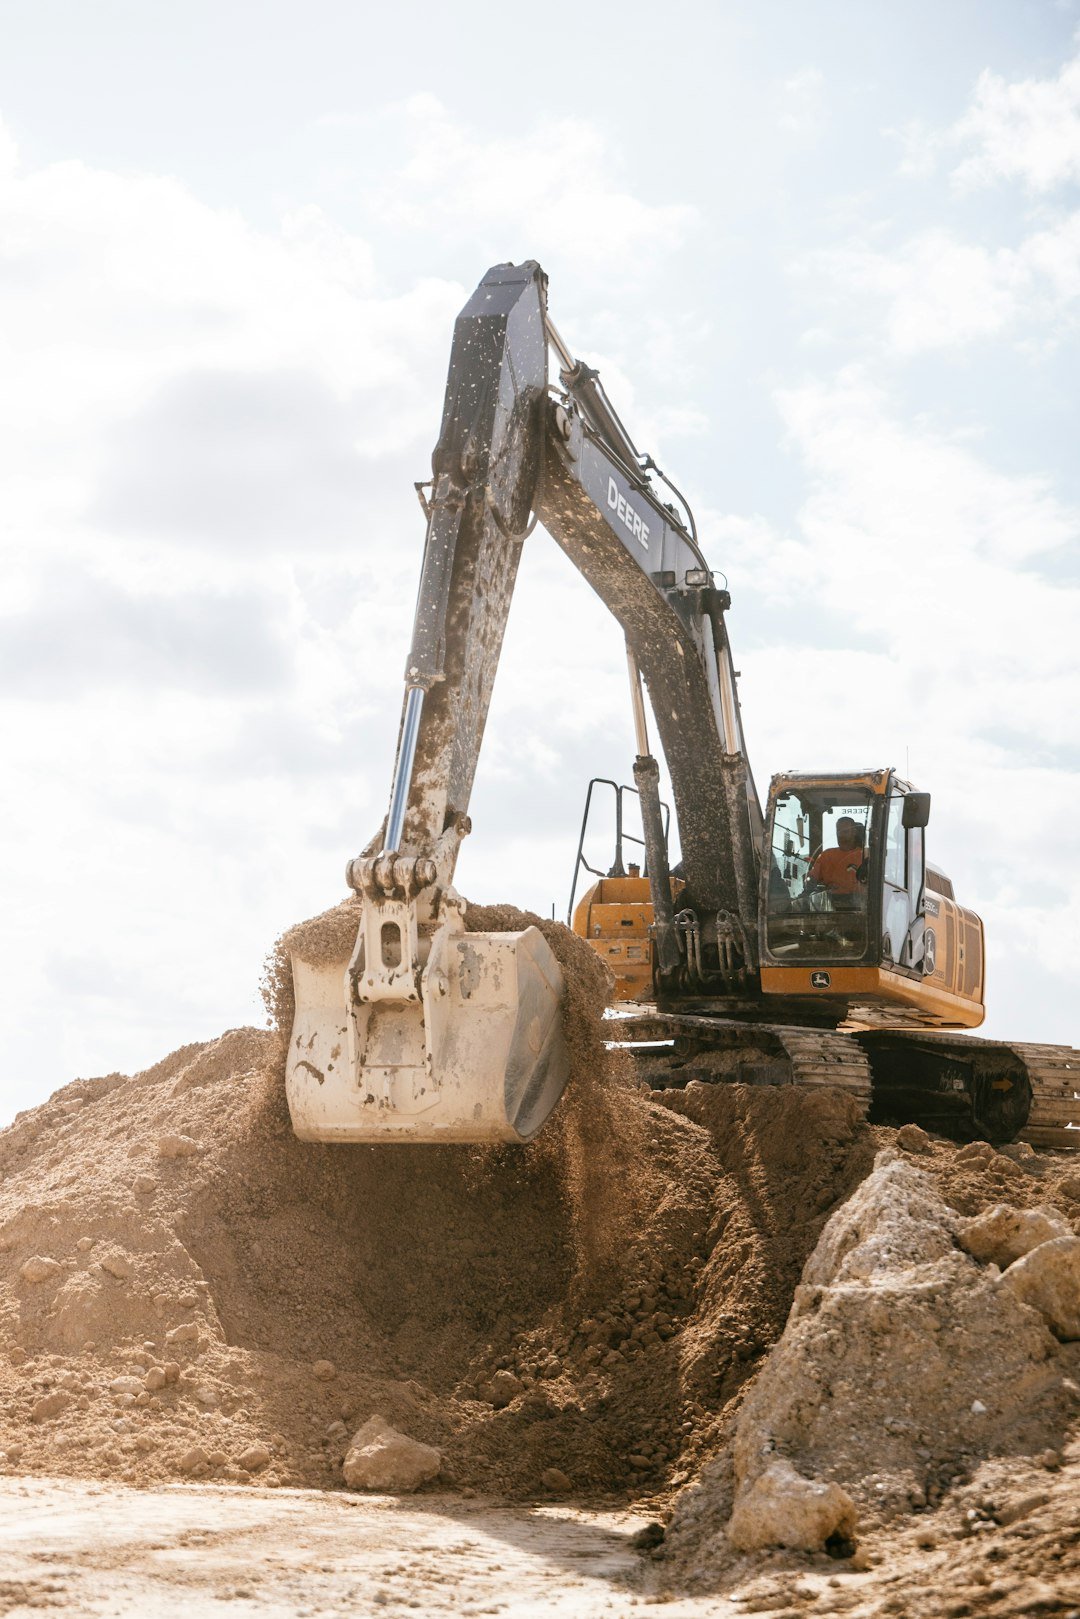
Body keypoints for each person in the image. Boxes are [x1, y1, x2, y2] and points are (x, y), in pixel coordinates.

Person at [808, 817, 865, 897]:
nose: (840, 835)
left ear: (854, 832)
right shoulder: (826, 856)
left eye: (845, 832)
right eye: (838, 832)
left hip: (860, 905)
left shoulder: (864, 856)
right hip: (831, 905)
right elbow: (812, 879)